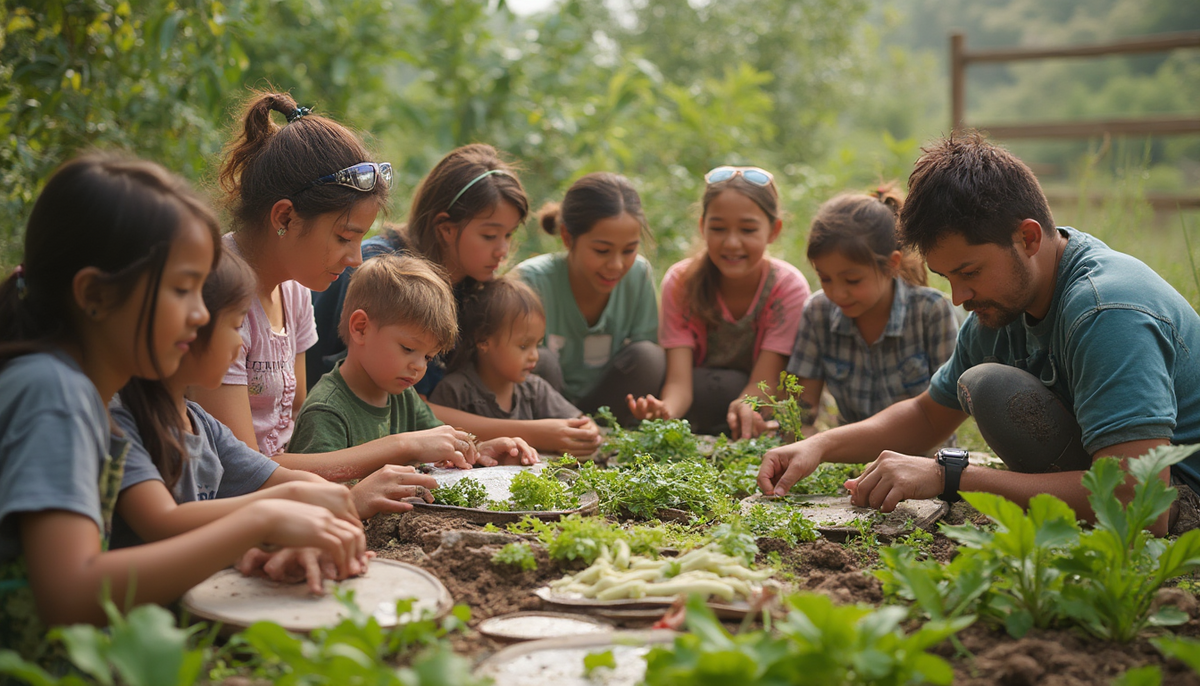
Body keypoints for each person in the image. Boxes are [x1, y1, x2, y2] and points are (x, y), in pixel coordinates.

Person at [0, 154, 365, 660]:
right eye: (181, 290)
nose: (200, 315)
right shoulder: (53, 392)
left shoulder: (81, 393)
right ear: (94, 295)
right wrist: (260, 523)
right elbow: (69, 594)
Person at [758, 131, 1200, 537]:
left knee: (990, 386)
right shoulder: (1000, 306)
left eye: (968, 272)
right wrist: (818, 444)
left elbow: (1139, 503)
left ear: (1027, 238)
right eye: (947, 276)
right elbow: (928, 416)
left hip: (1178, 497)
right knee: (986, 385)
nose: (957, 296)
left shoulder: (1106, 309)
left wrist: (950, 476)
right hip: (1126, 481)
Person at [112, 251, 436, 592]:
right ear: (188, 331)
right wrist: (277, 513)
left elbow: (276, 478)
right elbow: (162, 523)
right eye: (235, 326)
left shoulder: (202, 424)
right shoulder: (121, 425)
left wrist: (332, 504)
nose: (241, 343)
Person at [190, 91, 400, 470]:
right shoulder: (217, 295)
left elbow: (297, 421)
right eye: (344, 237)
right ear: (285, 218)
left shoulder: (295, 289)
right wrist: (398, 448)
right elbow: (244, 469)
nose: (355, 259)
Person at [309, 143, 529, 398]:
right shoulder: (383, 272)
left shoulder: (473, 285)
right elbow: (386, 403)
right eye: (489, 235)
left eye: (509, 234)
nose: (502, 249)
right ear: (446, 228)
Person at [290, 254, 538, 473]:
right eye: (408, 349)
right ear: (361, 328)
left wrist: (480, 450)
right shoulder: (327, 410)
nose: (419, 366)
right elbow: (311, 488)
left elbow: (442, 444)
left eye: (429, 357)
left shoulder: (404, 396)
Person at [628, 166, 811, 438]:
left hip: (752, 405)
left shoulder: (787, 288)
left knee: (729, 387)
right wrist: (666, 411)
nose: (732, 243)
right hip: (700, 394)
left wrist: (747, 407)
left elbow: (766, 381)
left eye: (748, 229)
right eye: (718, 228)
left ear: (774, 230)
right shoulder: (681, 282)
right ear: (702, 227)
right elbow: (679, 382)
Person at [786, 185, 958, 429]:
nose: (837, 293)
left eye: (852, 280)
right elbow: (803, 408)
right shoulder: (818, 312)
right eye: (825, 279)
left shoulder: (931, 312)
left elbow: (947, 411)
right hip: (852, 454)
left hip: (920, 456)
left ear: (891, 265)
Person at [515, 173, 665, 427]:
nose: (616, 265)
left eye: (629, 250)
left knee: (649, 356)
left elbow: (644, 359)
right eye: (602, 251)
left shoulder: (638, 275)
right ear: (567, 237)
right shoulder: (531, 282)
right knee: (542, 361)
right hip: (543, 407)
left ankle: (608, 434)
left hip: (607, 402)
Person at [431, 276, 586, 422]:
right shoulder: (455, 392)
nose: (535, 356)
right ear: (483, 341)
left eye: (538, 345)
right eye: (524, 346)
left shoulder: (535, 390)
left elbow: (580, 420)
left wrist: (587, 429)